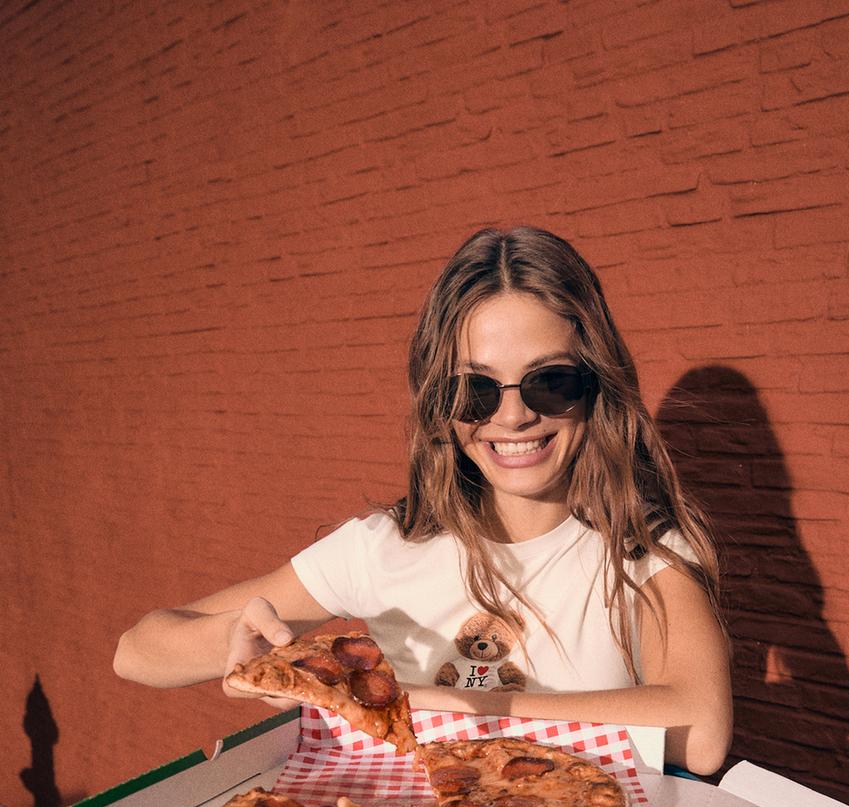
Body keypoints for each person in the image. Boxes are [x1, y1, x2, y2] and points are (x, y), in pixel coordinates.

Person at [114, 226, 732, 774]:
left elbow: (699, 731)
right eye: (476, 390)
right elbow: (136, 652)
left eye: (551, 381)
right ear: (439, 400)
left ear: (597, 385)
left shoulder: (639, 548)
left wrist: (419, 702)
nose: (513, 416)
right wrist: (243, 642)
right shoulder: (386, 545)